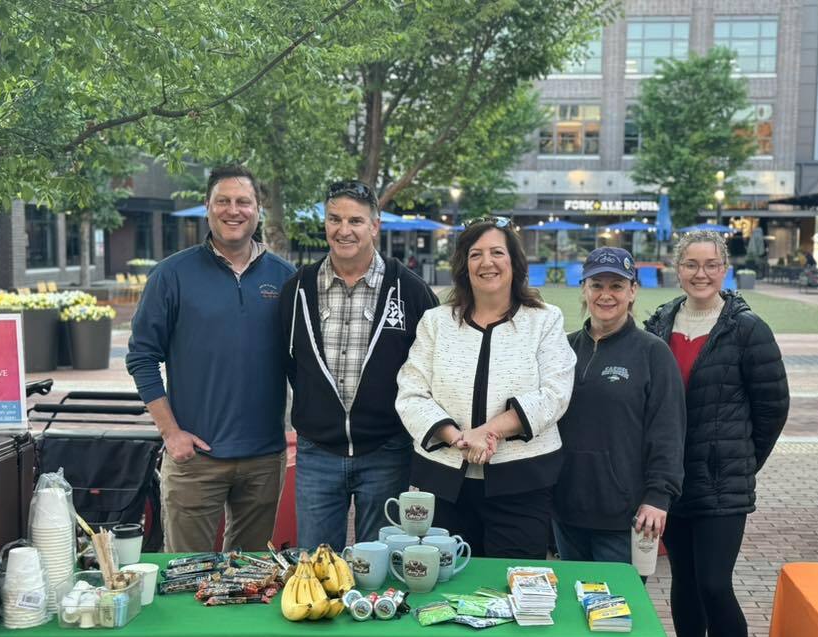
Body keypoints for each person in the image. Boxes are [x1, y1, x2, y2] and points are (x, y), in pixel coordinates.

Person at [645, 230, 789, 637]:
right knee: (683, 582)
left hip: (722, 485)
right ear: (676, 268)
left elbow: (773, 408)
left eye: (710, 264)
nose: (700, 273)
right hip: (671, 482)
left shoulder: (748, 329)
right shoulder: (660, 322)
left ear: (724, 270)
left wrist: (741, 463)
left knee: (714, 584)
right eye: (690, 264)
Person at [126, 165, 295, 552]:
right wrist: (171, 432)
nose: (233, 210)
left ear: (258, 210)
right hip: (195, 458)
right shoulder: (172, 275)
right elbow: (141, 357)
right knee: (187, 577)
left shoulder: (286, 278)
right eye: (223, 201)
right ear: (207, 207)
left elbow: (300, 363)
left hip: (264, 459)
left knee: (251, 578)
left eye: (243, 202)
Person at [395, 216, 576, 559]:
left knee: (514, 586)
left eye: (497, 252)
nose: (487, 263)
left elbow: (555, 393)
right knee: (445, 586)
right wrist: (457, 438)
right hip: (443, 485)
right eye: (476, 254)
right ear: (464, 264)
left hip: (522, 484)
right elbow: (411, 392)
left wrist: (490, 431)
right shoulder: (436, 322)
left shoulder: (544, 320)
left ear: (514, 262)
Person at [279, 180, 438, 551]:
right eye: (334, 219)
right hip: (317, 452)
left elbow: (430, 366)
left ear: (374, 226)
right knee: (316, 566)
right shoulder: (297, 289)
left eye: (355, 220)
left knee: (379, 568)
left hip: (386, 451)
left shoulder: (410, 290)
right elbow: (290, 363)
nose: (344, 230)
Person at [552, 246, 685, 568]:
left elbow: (668, 431)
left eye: (616, 286)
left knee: (618, 614)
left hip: (624, 516)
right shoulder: (562, 349)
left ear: (633, 291)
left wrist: (658, 497)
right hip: (566, 512)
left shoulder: (652, 352)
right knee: (572, 608)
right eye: (597, 285)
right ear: (584, 289)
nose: (606, 295)